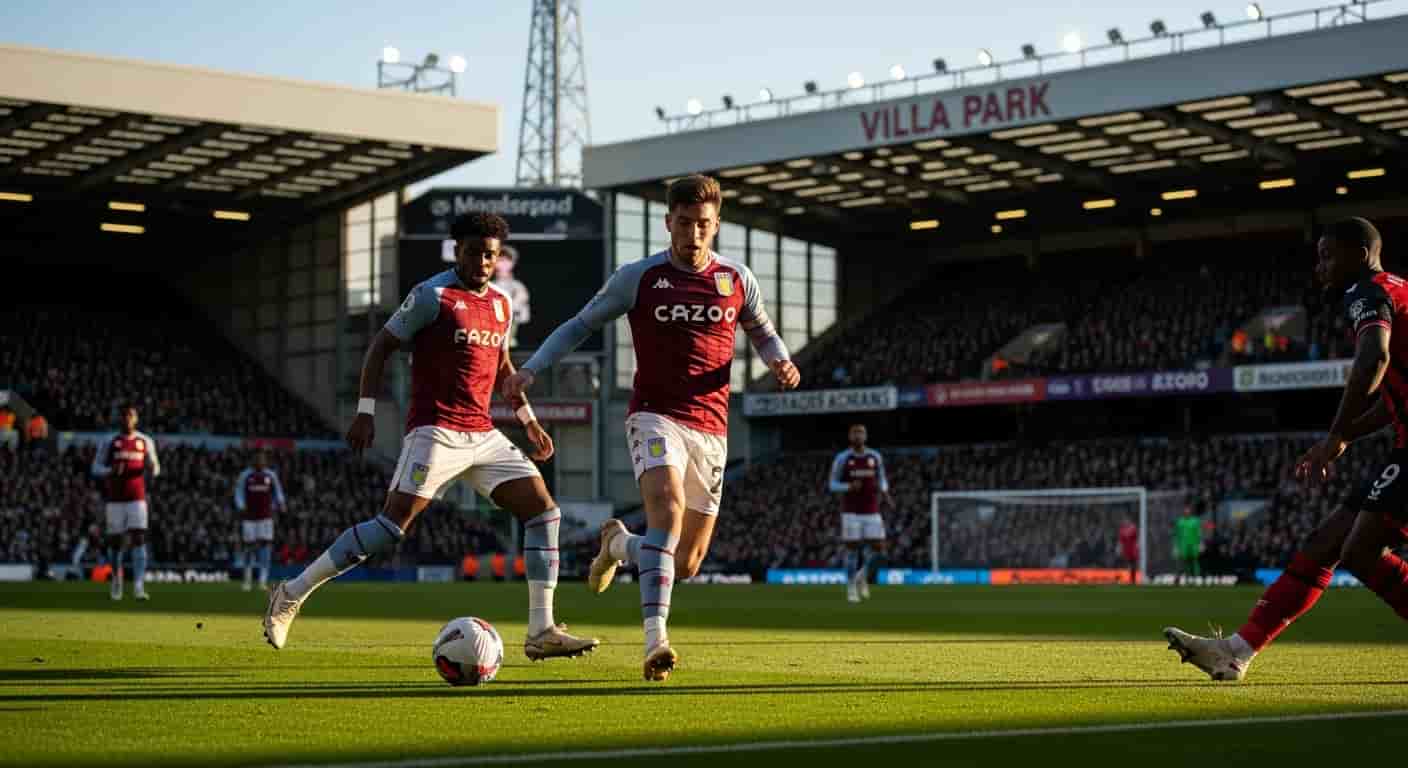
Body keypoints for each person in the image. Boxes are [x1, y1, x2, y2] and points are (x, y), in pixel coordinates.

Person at [263, 212, 598, 661]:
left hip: (482, 432)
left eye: (491, 255)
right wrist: (366, 412)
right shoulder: (431, 295)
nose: (483, 261)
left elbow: (502, 367)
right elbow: (380, 347)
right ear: (456, 250)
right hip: (435, 431)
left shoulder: (500, 304)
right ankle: (291, 592)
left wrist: (529, 418)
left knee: (544, 513)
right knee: (388, 528)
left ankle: (541, 630)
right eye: (475, 252)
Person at [506, 174, 801, 682]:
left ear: (716, 224)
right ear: (669, 222)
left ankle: (619, 545)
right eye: (684, 223)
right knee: (665, 510)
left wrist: (781, 362)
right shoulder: (638, 277)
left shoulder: (736, 278)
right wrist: (532, 367)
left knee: (685, 564)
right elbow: (580, 325)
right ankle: (655, 641)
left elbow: (764, 332)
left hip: (712, 429)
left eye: (703, 225)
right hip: (654, 415)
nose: (693, 234)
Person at [1165, 217, 1408, 681]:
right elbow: (1397, 400)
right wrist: (1343, 437)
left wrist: (1336, 434)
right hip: (1403, 444)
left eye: (1327, 255)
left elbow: (1373, 358)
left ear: (1359, 254)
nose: (1319, 266)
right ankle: (1235, 651)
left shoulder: (1367, 292)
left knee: (1359, 552)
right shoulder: (1401, 289)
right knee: (1325, 544)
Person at [91, 404, 160, 601]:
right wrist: (110, 472)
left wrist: (152, 466)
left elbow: (156, 470)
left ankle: (139, 586)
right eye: (124, 415)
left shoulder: (145, 441)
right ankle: (116, 580)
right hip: (115, 500)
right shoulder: (110, 440)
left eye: (131, 415)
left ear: (136, 419)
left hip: (137, 499)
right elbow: (95, 467)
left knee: (139, 538)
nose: (127, 419)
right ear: (119, 418)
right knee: (116, 543)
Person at [827, 424, 892, 603]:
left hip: (872, 509)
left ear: (866, 436)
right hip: (851, 512)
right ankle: (850, 588)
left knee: (880, 548)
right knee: (852, 549)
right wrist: (848, 486)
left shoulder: (875, 456)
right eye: (855, 433)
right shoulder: (842, 458)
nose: (858, 436)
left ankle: (861, 576)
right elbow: (832, 484)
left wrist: (885, 492)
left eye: (861, 432)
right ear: (850, 437)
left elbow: (882, 478)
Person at [234, 449, 285, 592]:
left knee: (265, 549)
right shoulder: (245, 475)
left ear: (265, 460)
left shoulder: (271, 475)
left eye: (262, 459)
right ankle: (247, 581)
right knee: (248, 549)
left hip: (266, 518)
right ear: (253, 460)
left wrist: (280, 504)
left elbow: (278, 493)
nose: (260, 461)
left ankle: (262, 581)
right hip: (249, 518)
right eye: (257, 458)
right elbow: (238, 493)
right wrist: (241, 507)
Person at [493, 244, 530, 348]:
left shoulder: (517, 286)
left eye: (507, 260)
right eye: (500, 260)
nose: (503, 264)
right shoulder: (489, 285)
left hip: (510, 334)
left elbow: (519, 306)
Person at [1173, 504, 1203, 578]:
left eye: (1188, 511)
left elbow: (1199, 533)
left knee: (1194, 560)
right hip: (1183, 545)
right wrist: (1175, 546)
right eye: (1185, 511)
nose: (1187, 512)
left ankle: (1196, 575)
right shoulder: (1179, 522)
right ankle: (1185, 575)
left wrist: (1200, 544)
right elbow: (1176, 535)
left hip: (1194, 544)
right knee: (1184, 560)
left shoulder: (1195, 521)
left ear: (1190, 512)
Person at [1118, 518, 1139, 583]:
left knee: (1133, 565)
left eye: (1127, 520)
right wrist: (1119, 548)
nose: (1125, 521)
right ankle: (1123, 578)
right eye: (1124, 520)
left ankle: (1132, 579)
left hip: (1132, 550)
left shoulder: (1133, 528)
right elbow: (1121, 541)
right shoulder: (1122, 530)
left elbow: (1135, 538)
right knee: (1126, 564)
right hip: (1126, 550)